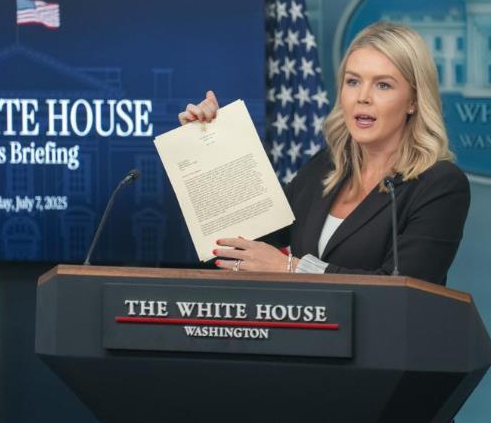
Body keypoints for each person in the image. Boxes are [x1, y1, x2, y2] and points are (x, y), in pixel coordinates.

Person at [178, 22, 469, 285]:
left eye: (383, 85)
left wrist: (292, 268)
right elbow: (240, 245)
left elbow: (405, 288)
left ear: (413, 101)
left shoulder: (439, 184)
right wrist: (208, 142)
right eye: (353, 81)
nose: (362, 97)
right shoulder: (325, 169)